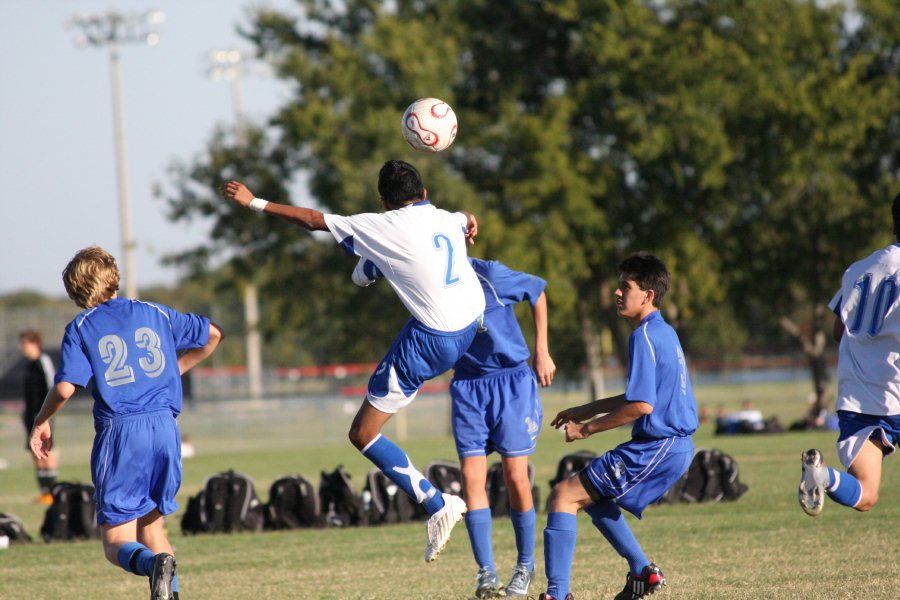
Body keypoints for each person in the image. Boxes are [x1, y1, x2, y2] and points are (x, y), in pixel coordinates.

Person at [221, 159, 486, 562]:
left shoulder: (383, 224)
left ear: (384, 203)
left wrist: (254, 201)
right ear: (425, 194)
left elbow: (313, 221)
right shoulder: (446, 217)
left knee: (363, 433)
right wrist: (470, 220)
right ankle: (374, 262)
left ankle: (438, 504)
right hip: (471, 323)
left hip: (433, 339)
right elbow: (465, 217)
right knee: (375, 263)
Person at [354, 255, 555, 597]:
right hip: (467, 387)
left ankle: (525, 566)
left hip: (511, 382)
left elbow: (537, 292)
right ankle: (486, 573)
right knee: (471, 478)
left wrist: (542, 350)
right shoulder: (429, 282)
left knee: (515, 476)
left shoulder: (489, 274)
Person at [29, 247, 223, 600]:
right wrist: (175, 369)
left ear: (76, 290)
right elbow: (213, 335)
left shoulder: (82, 327)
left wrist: (42, 420)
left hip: (122, 433)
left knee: (116, 541)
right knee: (152, 528)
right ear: (114, 277)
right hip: (165, 429)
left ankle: (153, 565)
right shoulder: (154, 311)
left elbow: (65, 387)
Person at [539, 253, 698, 600]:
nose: (617, 292)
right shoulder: (662, 331)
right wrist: (585, 410)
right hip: (669, 446)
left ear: (648, 295)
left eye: (626, 287)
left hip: (658, 446)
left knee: (563, 495)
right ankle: (642, 572)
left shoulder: (644, 336)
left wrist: (586, 429)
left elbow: (641, 406)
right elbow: (637, 395)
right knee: (592, 498)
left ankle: (558, 594)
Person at [799, 192, 900, 517]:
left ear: (894, 224)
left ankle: (822, 476)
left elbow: (838, 331)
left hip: (859, 397)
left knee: (866, 495)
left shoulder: (858, 269)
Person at [19, 329, 59, 504]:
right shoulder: (28, 365)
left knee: (46, 452)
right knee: (35, 453)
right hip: (30, 417)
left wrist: (48, 414)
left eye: (24, 343)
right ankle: (44, 492)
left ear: (34, 343)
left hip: (44, 416)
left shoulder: (43, 361)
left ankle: (52, 492)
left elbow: (52, 385)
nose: (22, 347)